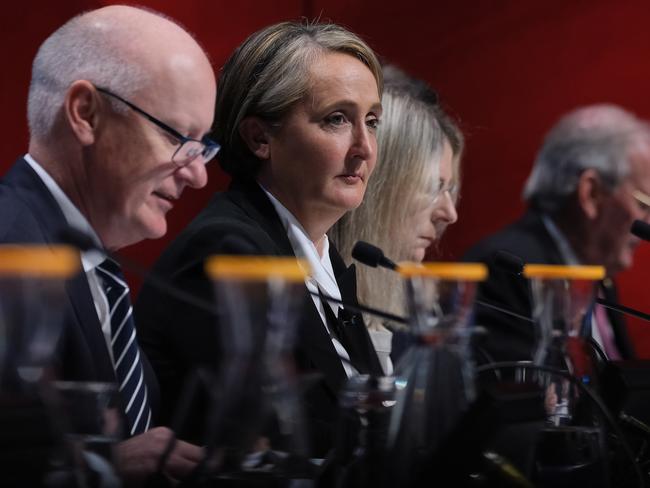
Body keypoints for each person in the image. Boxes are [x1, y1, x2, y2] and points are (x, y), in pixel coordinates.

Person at [135, 21, 384, 458]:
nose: (364, 146)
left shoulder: (325, 256)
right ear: (259, 137)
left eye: (372, 120)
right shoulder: (227, 249)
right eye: (337, 119)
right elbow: (282, 436)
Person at [0, 6, 217, 483]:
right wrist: (101, 468)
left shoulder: (91, 261)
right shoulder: (10, 252)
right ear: (86, 113)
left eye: (203, 145)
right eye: (175, 135)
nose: (198, 173)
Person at [463, 104, 650, 363]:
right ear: (591, 193)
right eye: (644, 205)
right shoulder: (507, 271)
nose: (647, 222)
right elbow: (521, 393)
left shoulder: (596, 267)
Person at [330, 65, 464, 373]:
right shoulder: (316, 296)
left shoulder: (416, 308)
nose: (449, 214)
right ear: (379, 184)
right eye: (433, 187)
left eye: (450, 190)